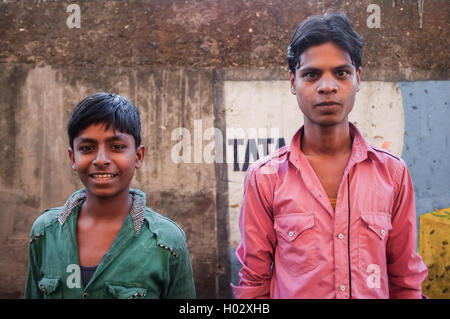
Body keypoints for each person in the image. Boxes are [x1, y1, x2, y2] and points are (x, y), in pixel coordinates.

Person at [232, 12, 428, 299]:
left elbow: (405, 279)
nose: (327, 86)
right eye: (311, 74)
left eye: (341, 73)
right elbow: (253, 282)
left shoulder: (392, 174)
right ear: (292, 81)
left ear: (357, 79)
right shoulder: (265, 178)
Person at [25, 92, 196, 299]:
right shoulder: (45, 232)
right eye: (87, 148)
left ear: (138, 156)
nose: (101, 159)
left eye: (117, 147)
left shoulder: (167, 241)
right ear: (72, 157)